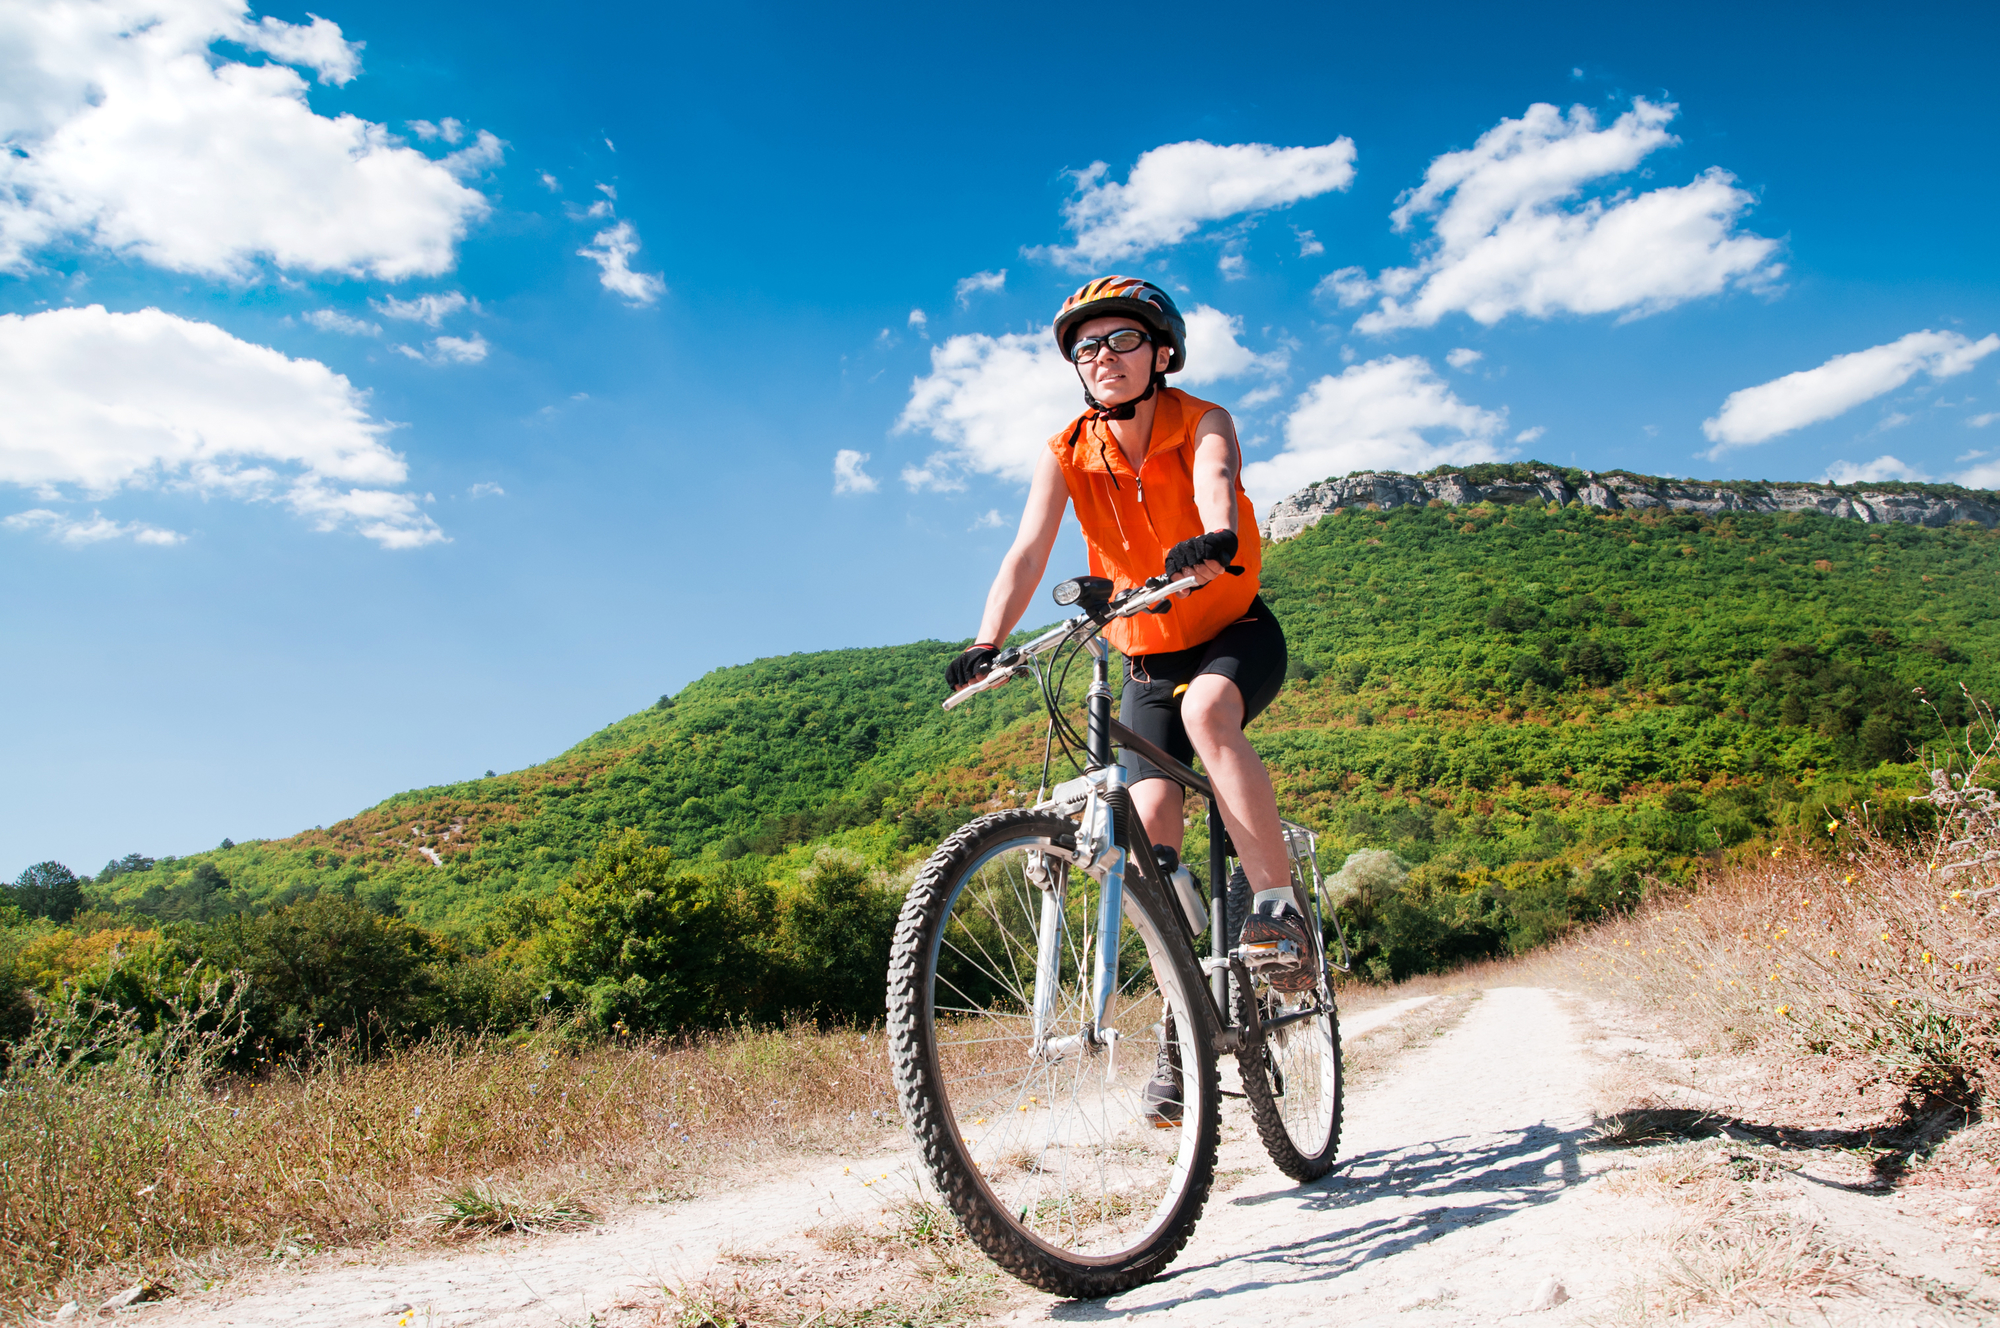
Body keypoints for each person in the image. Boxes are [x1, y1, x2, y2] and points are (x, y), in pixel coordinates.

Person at [942, 275, 1310, 1122]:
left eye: (1121, 340)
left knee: (1207, 714)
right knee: (1151, 840)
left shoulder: (1202, 419)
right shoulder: (1067, 448)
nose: (1102, 357)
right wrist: (985, 640)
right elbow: (1029, 549)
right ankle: (1189, 1027)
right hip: (1142, 654)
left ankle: (1277, 914)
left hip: (1232, 633)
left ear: (1162, 352)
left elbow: (1217, 477)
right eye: (1086, 347)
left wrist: (1214, 539)